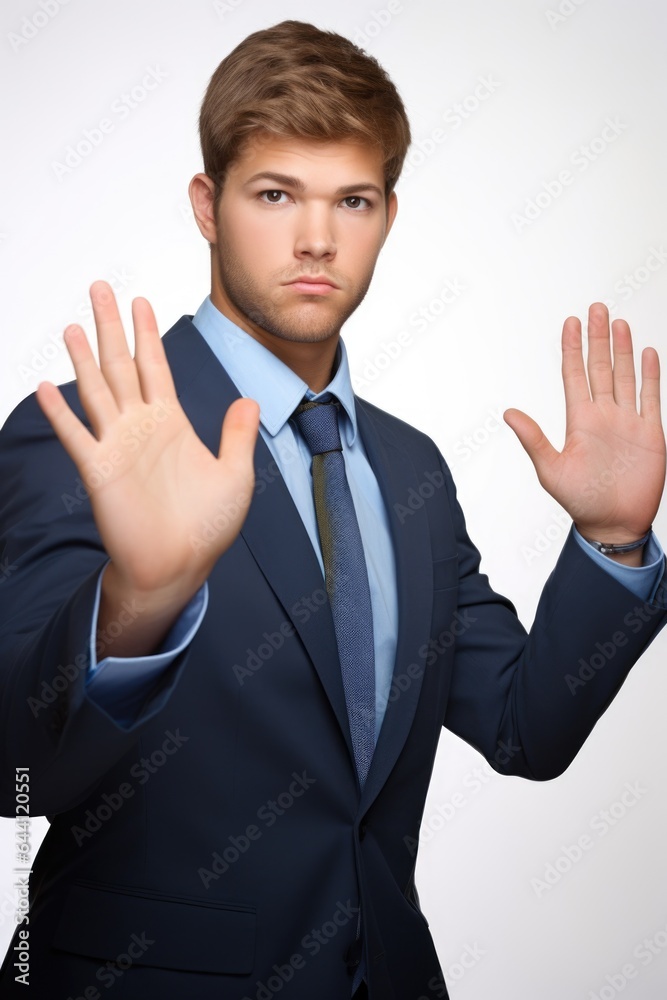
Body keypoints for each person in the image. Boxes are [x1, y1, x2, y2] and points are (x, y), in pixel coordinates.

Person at [0, 19, 665, 1000]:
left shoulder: (411, 469)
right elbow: (14, 770)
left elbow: (528, 728)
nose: (317, 239)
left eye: (351, 199)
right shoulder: (88, 432)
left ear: (387, 214)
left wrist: (611, 542)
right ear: (208, 205)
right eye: (275, 195)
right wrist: (137, 600)